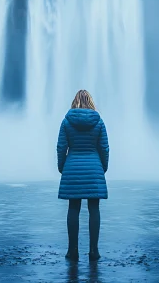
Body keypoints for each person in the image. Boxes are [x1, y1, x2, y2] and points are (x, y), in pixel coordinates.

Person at [56, 89, 109, 261]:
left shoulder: (66, 122)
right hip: (94, 168)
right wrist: (103, 168)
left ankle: (73, 251)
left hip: (72, 167)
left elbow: (61, 148)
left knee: (73, 208)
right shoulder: (99, 122)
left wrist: (62, 167)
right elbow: (104, 148)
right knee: (94, 209)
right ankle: (94, 251)